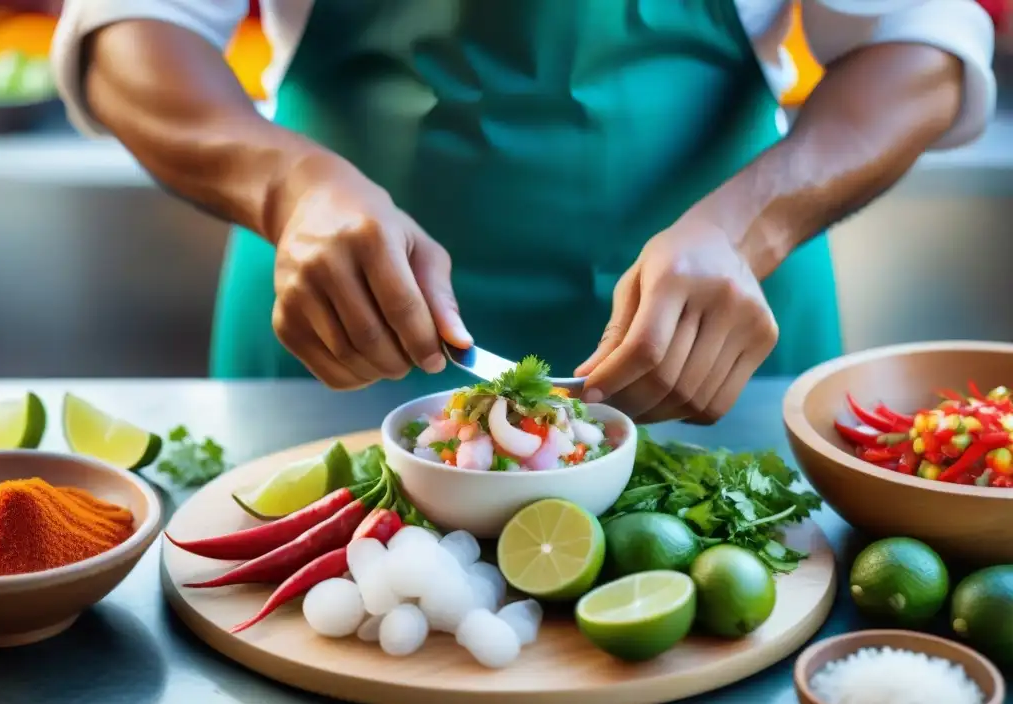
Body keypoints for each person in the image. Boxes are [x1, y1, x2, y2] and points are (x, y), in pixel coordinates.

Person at [52, 1, 995, 423]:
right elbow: (132, 30)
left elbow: (919, 45)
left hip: (722, 350)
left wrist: (750, 229)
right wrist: (288, 189)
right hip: (332, 348)